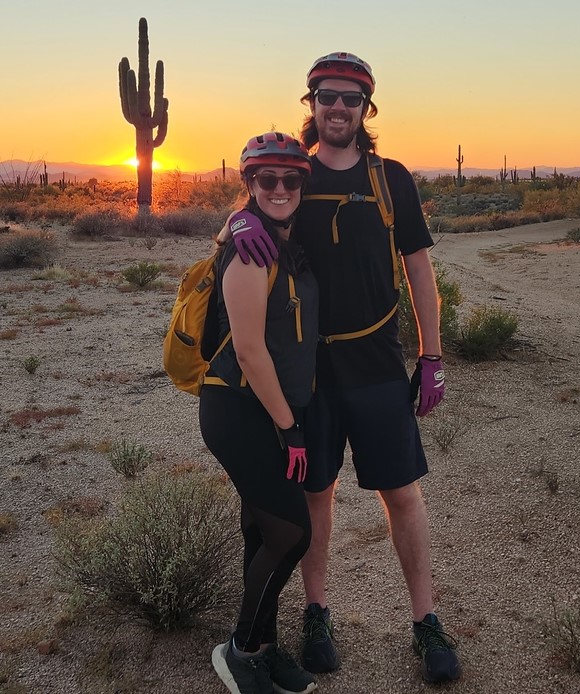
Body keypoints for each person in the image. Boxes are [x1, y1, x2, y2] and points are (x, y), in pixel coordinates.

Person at [226, 54, 461, 684]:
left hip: (378, 362)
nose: (338, 107)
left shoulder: (391, 179)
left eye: (351, 99)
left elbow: (417, 268)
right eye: (327, 96)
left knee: (402, 495)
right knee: (316, 495)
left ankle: (425, 619)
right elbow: (260, 205)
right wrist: (237, 219)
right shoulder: (295, 175)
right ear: (312, 103)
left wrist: (431, 356)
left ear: (365, 110)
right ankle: (316, 614)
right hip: (309, 372)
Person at [199, 132, 319, 694]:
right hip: (240, 409)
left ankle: (266, 649)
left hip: (265, 409)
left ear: (302, 185)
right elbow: (249, 350)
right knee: (293, 532)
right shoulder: (249, 253)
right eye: (265, 179)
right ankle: (240, 649)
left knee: (263, 528)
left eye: (290, 179)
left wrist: (232, 220)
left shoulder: (283, 240)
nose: (278, 188)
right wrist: (290, 430)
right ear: (248, 183)